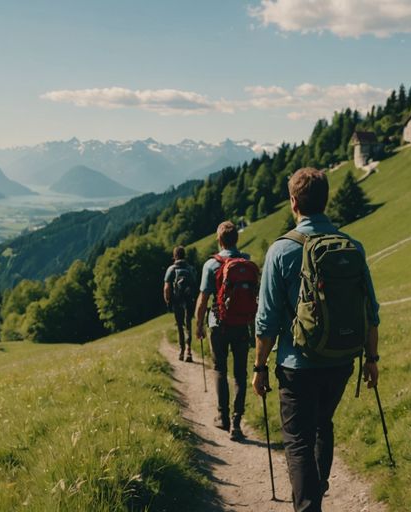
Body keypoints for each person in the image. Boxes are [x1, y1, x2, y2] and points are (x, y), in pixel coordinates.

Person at [252, 167, 381, 512]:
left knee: (297, 441)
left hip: (297, 365)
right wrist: (372, 359)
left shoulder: (280, 251)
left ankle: (309, 505)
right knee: (323, 424)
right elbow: (370, 309)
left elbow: (266, 320)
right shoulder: (351, 246)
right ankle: (317, 491)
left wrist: (259, 366)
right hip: (341, 360)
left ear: (293, 202)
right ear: (326, 200)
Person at [195, 221, 257, 441]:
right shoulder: (247, 261)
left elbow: (203, 299)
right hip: (242, 324)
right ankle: (237, 423)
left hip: (219, 324)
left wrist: (199, 324)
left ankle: (223, 417)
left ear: (219, 239)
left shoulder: (211, 265)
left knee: (220, 369)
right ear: (236, 239)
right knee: (240, 374)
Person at [163, 245, 197, 362]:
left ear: (175, 256)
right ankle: (188, 350)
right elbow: (195, 284)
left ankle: (181, 351)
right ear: (184, 255)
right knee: (188, 324)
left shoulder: (171, 269)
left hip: (177, 301)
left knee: (180, 326)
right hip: (189, 300)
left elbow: (167, 288)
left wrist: (168, 300)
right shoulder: (190, 269)